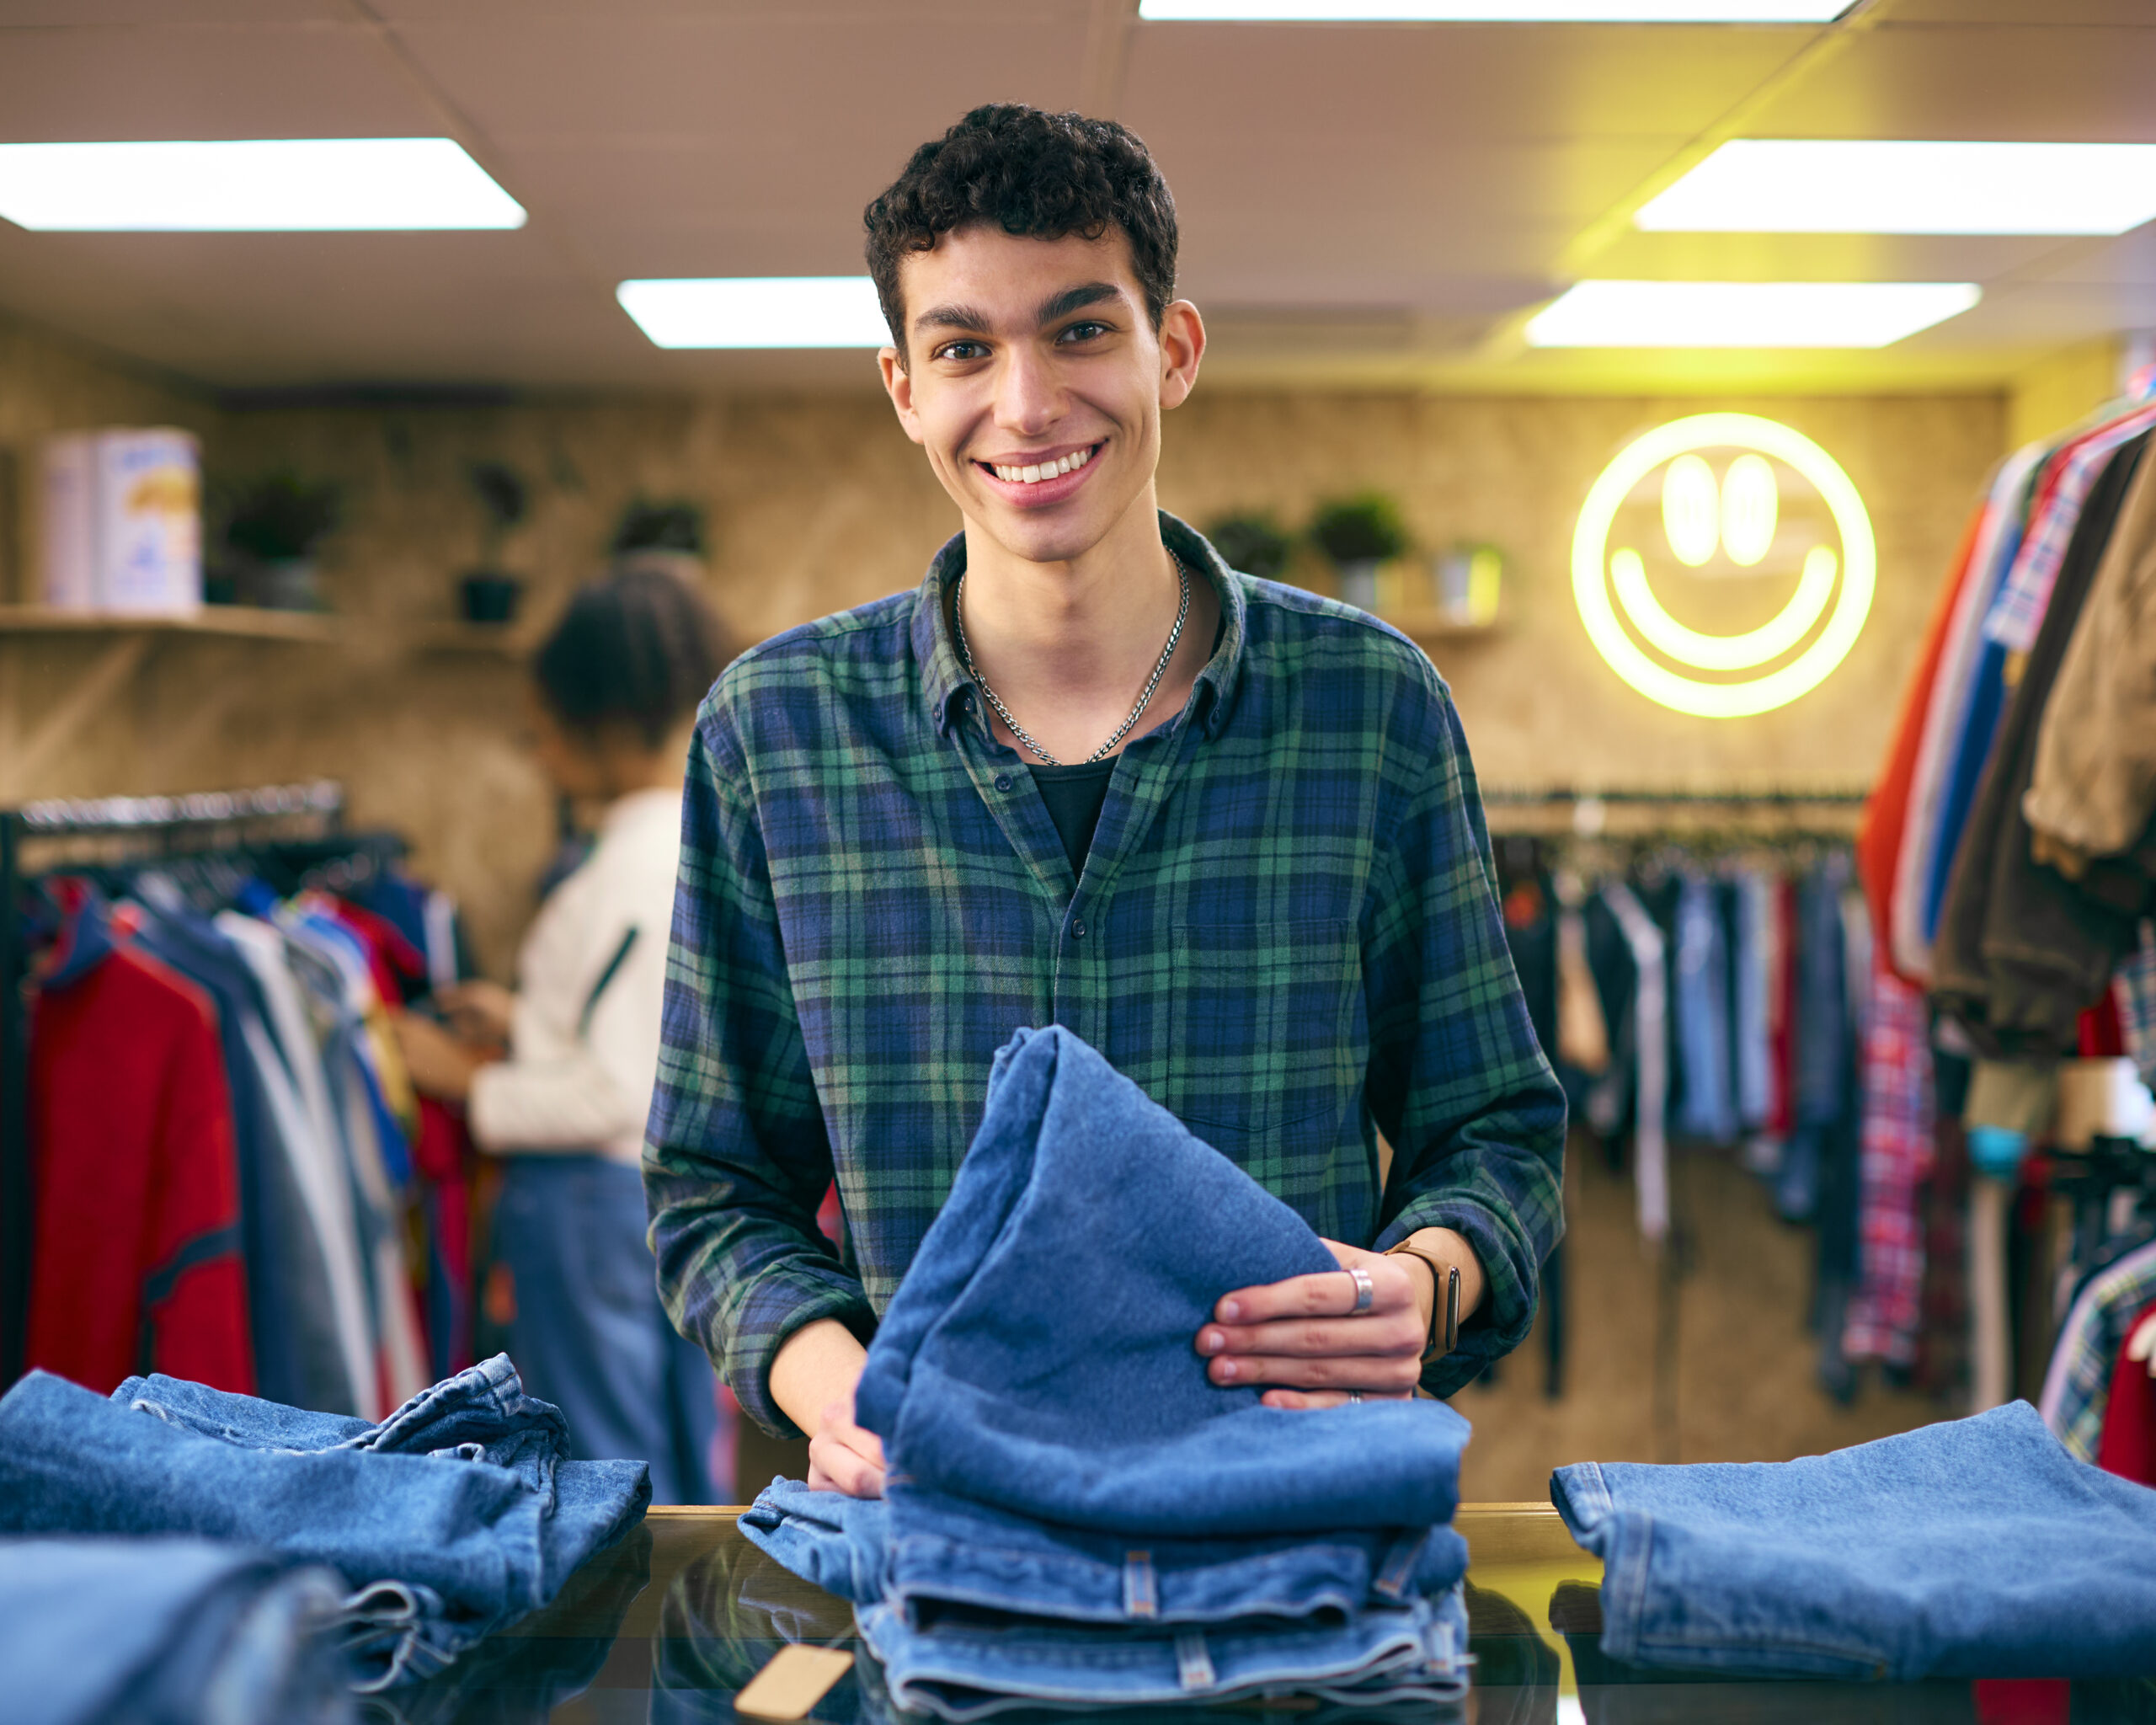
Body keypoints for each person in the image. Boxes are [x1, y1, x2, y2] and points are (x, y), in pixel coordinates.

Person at [644, 104, 1566, 1498]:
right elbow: (713, 1193)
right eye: (965, 347)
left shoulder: (1367, 704)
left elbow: (1494, 1130)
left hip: (1294, 1522)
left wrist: (1423, 1286)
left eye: (1079, 329)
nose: (1024, 404)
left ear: (1172, 349)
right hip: (938, 1529)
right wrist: (843, 1391)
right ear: (904, 386)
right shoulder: (773, 736)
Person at [395, 565, 730, 1504]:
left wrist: (468, 1083)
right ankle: (685, 1645)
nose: (539, 754)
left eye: (541, 727)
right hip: (645, 1203)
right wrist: (529, 1023)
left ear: (603, 720)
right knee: (666, 1446)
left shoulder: (625, 865)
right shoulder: (684, 842)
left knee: (602, 1466)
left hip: (592, 1211)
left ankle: (623, 1653)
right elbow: (641, 1027)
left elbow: (618, 1089)